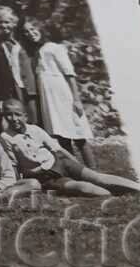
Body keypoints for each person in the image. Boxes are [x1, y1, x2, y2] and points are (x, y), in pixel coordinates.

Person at [0, 98, 140, 196]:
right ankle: (115, 193)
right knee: (89, 189)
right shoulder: (6, 137)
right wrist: (19, 183)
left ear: (25, 116)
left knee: (98, 178)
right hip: (46, 177)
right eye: (9, 115)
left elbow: (58, 149)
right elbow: (13, 164)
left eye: (17, 114)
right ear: (4, 117)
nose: (14, 119)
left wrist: (77, 165)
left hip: (61, 163)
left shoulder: (35, 130)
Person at [22, 18, 97, 168]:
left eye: (33, 29)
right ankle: (76, 170)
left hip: (62, 95)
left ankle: (93, 169)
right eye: (27, 32)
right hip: (49, 98)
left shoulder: (54, 47)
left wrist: (76, 99)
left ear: (40, 29)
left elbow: (69, 74)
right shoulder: (36, 51)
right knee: (61, 135)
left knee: (78, 134)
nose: (30, 33)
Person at [0, 6, 38, 129]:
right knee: (16, 120)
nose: (4, 25)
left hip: (30, 88)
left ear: (14, 23)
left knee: (33, 120)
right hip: (12, 89)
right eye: (0, 23)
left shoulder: (23, 41)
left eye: (7, 22)